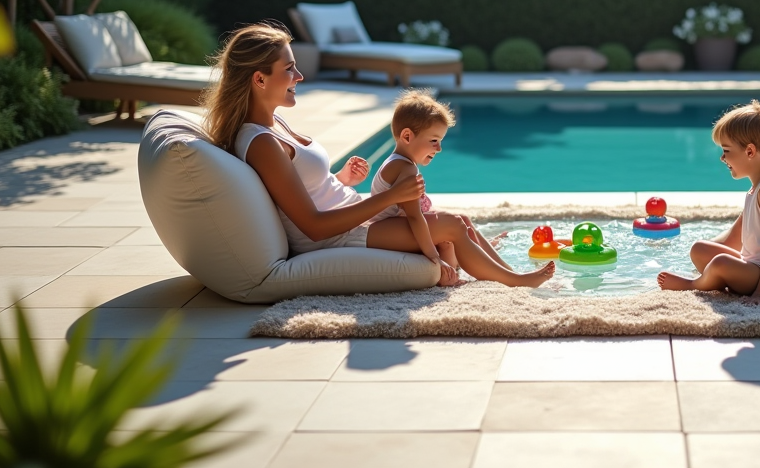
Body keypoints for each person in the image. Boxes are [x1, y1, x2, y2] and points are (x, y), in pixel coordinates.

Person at [203, 22, 554, 289]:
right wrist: (390, 197)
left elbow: (300, 189)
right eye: (289, 69)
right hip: (335, 236)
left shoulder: (273, 123)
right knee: (448, 224)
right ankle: (516, 282)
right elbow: (311, 226)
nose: (300, 75)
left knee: (457, 219)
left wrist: (340, 179)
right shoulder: (261, 141)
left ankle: (504, 270)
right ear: (259, 80)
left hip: (352, 219)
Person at [657, 100, 760, 301]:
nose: (722, 158)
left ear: (749, 152)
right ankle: (718, 278)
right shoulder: (758, 187)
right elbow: (741, 239)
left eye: (726, 150)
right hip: (757, 265)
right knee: (699, 249)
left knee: (720, 264)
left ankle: (693, 284)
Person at [369, 88, 515, 281]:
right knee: (448, 239)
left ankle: (501, 265)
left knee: (461, 219)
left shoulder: (399, 162)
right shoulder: (404, 169)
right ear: (407, 137)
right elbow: (415, 217)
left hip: (394, 228)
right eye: (434, 140)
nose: (439, 148)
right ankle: (502, 275)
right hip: (389, 233)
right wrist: (435, 258)